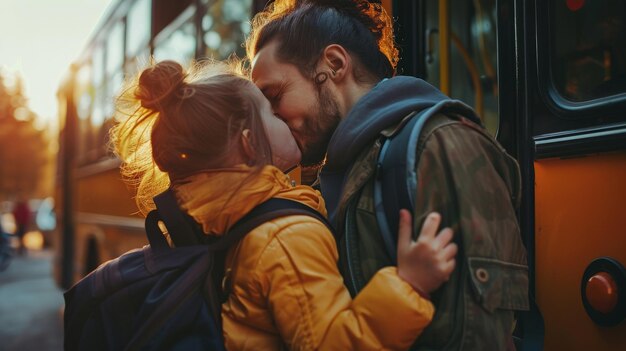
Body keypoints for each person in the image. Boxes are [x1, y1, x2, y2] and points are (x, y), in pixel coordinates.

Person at [112, 60, 458, 350]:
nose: (284, 118)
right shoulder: (285, 236)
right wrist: (410, 284)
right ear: (249, 144)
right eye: (270, 113)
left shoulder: (228, 222)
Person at [246, 0, 529, 349]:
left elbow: (474, 335)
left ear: (334, 64)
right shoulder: (331, 174)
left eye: (274, 97)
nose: (271, 120)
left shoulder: (441, 145)